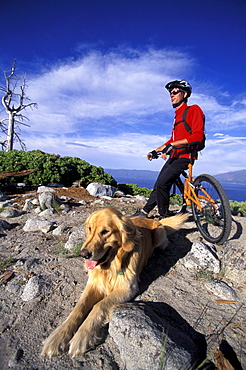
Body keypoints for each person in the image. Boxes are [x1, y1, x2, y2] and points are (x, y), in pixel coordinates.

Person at [131, 79, 205, 219]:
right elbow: (171, 141)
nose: (172, 95)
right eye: (171, 93)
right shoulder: (177, 117)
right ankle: (145, 212)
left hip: (185, 156)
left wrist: (174, 145)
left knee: (163, 184)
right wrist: (155, 151)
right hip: (174, 157)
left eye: (175, 92)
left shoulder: (193, 109)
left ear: (185, 94)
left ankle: (165, 218)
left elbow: (198, 136)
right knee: (159, 185)